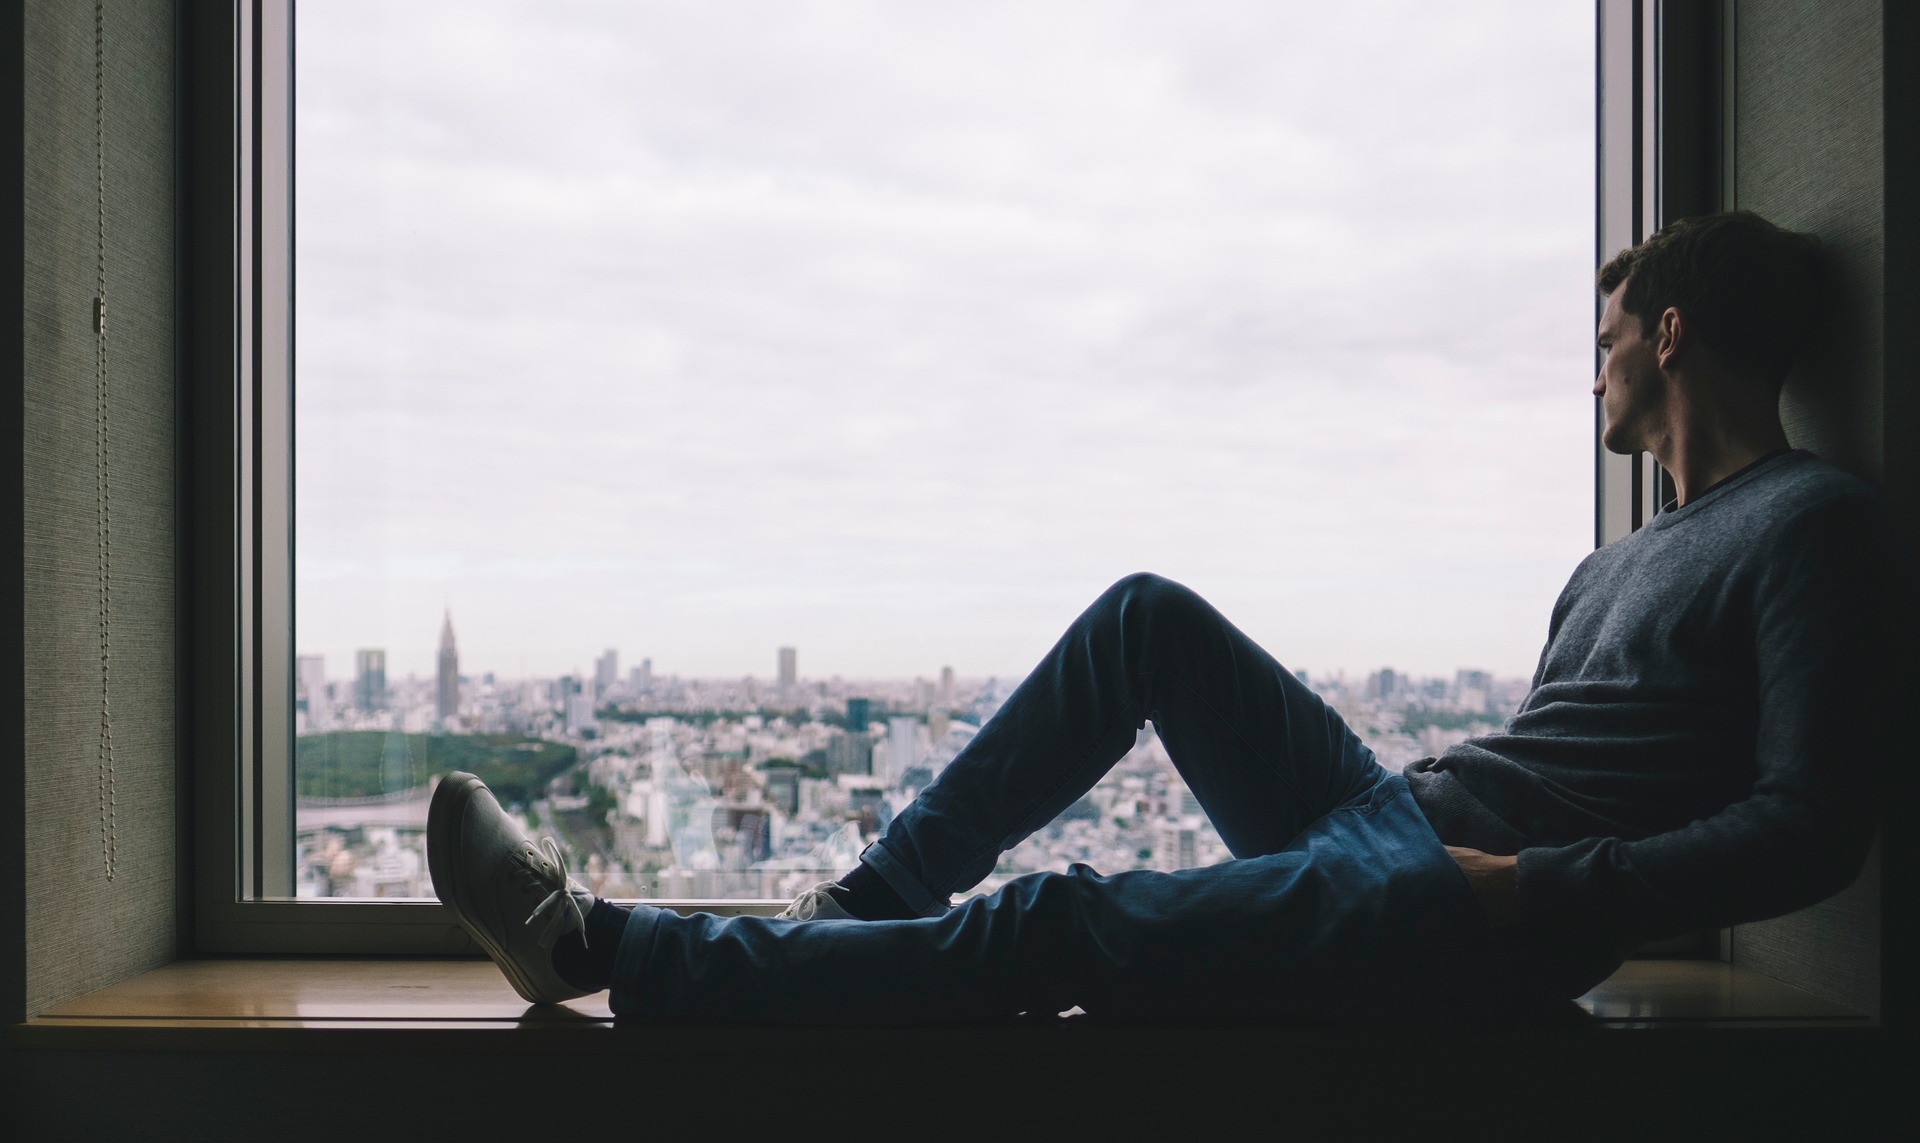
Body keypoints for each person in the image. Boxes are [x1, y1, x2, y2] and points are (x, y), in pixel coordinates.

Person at [427, 210, 1907, 1026]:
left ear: (1670, 332)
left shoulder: (1807, 520)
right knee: (1147, 620)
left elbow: (1813, 826)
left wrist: (1532, 894)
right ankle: (862, 905)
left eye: (1606, 344)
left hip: (1468, 907)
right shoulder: (1614, 564)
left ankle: (598, 946)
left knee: (1061, 921)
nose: (1592, 377)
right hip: (1413, 827)